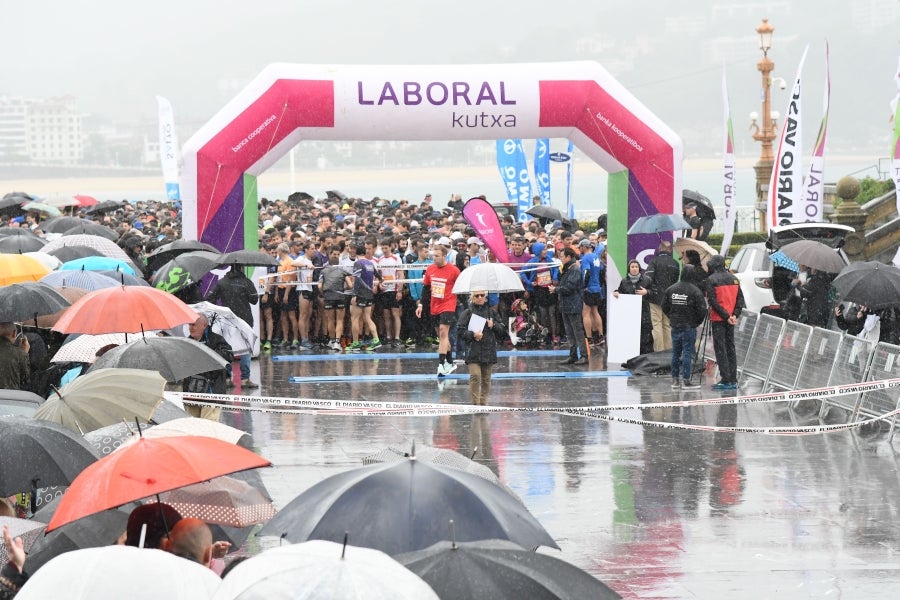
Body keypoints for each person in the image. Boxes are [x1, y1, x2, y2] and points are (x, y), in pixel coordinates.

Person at [206, 266, 260, 389]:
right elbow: (254, 300)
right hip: (245, 320)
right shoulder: (246, 282)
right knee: (246, 349)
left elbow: (210, 299)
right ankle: (245, 379)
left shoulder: (222, 282)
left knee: (227, 350)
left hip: (227, 320)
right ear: (241, 268)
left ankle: (227, 378)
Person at [416, 244, 460, 376]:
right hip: (434, 305)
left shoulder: (454, 270)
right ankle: (450, 362)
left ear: (444, 256)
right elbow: (426, 289)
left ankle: (441, 364)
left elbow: (460, 287)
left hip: (448, 304)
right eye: (433, 256)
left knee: (443, 332)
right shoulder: (430, 269)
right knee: (442, 337)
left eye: (437, 256)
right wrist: (421, 305)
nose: (434, 258)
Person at [661, 265, 707, 390]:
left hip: (675, 325)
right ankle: (686, 380)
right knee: (687, 353)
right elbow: (702, 310)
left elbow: (664, 306)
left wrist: (672, 316)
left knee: (675, 353)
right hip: (689, 326)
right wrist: (696, 322)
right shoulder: (695, 291)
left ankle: (675, 380)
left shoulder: (671, 289)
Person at [457, 289, 505, 405]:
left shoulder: (491, 312)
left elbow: (502, 330)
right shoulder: (467, 313)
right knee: (475, 376)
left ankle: (483, 403)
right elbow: (459, 331)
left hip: (488, 350)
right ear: (472, 297)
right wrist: (473, 335)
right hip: (473, 350)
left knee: (486, 379)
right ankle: (475, 403)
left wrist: (493, 325)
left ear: (485, 297)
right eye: (477, 295)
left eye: (482, 295)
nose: (479, 297)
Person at [706, 254, 746, 391]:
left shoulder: (711, 279)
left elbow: (713, 301)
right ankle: (733, 379)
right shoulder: (734, 279)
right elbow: (740, 300)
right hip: (731, 320)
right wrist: (734, 315)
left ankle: (726, 379)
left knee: (720, 349)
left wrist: (725, 315)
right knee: (730, 348)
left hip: (719, 319)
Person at [183, 314, 234, 420]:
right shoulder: (187, 342)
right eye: (189, 325)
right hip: (192, 393)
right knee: (193, 429)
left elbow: (229, 356)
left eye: (194, 325)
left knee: (208, 429)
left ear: (204, 325)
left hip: (211, 392)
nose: (190, 328)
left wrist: (209, 353)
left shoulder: (217, 340)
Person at [553, 247, 588, 365]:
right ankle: (572, 355)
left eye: (562, 257)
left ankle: (584, 355)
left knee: (577, 331)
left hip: (573, 304)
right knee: (569, 332)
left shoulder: (574, 269)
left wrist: (556, 289)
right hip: (566, 304)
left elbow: (570, 288)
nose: (560, 259)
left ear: (568, 257)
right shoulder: (567, 269)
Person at [612, 259, 654, 355]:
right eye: (632, 267)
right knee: (630, 338)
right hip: (629, 315)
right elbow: (620, 291)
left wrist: (647, 292)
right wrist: (616, 292)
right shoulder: (624, 281)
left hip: (644, 314)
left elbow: (654, 293)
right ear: (629, 269)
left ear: (639, 268)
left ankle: (645, 359)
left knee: (645, 339)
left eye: (636, 267)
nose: (634, 269)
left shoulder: (647, 280)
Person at [645, 241, 681, 352]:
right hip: (670, 299)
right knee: (667, 325)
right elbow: (675, 281)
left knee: (656, 325)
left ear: (659, 249)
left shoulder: (654, 262)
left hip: (655, 297)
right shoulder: (675, 263)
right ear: (670, 250)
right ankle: (669, 352)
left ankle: (659, 352)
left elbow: (648, 279)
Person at [578, 239, 605, 347]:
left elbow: (586, 272)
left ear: (584, 247)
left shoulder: (585, 258)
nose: (579, 249)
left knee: (585, 313)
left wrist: (584, 286)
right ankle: (600, 336)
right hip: (597, 287)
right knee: (595, 312)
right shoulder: (596, 257)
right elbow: (602, 271)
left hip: (589, 288)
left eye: (580, 247)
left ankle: (589, 338)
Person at [0, 323, 29, 391]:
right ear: (14, 333)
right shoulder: (19, 354)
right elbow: (25, 379)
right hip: (11, 398)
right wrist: (24, 353)